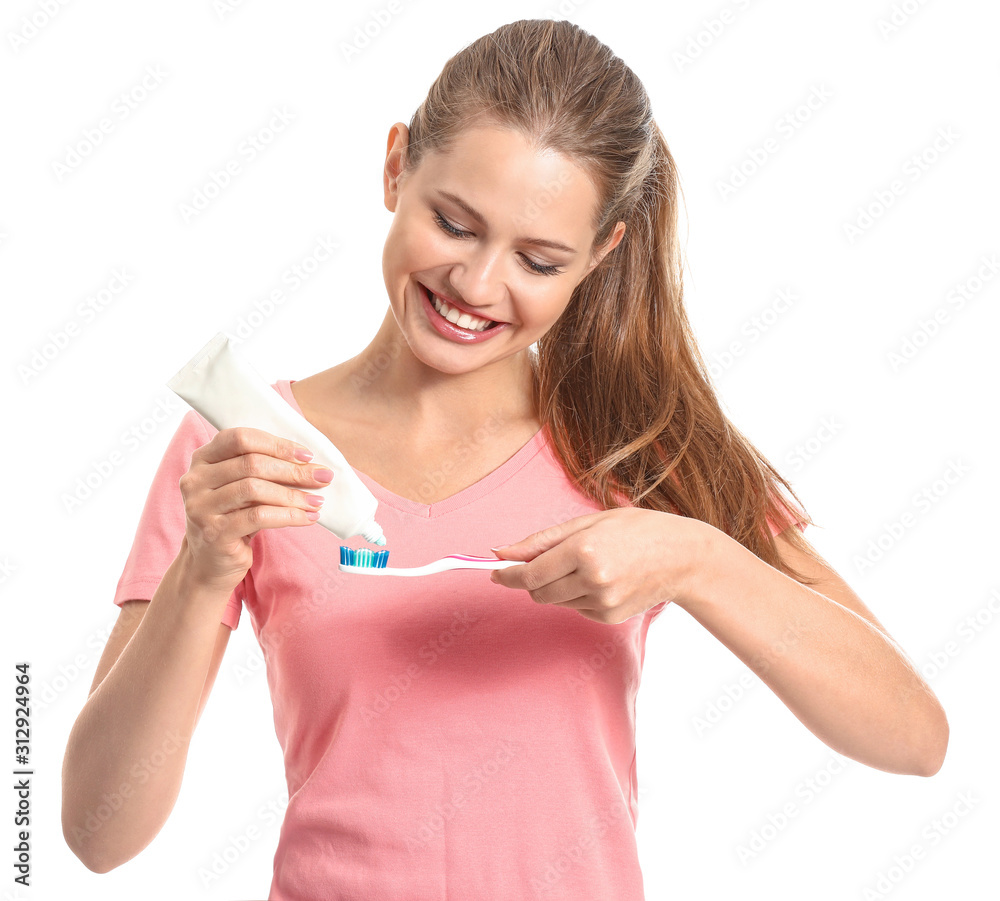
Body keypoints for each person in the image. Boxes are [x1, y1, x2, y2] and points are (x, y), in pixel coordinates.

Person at [61, 18, 948, 901]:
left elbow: (914, 736)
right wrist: (202, 569)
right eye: (454, 223)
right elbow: (99, 833)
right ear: (396, 167)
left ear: (600, 254)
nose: (477, 286)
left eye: (539, 260)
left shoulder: (635, 444)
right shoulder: (244, 454)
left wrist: (695, 557)